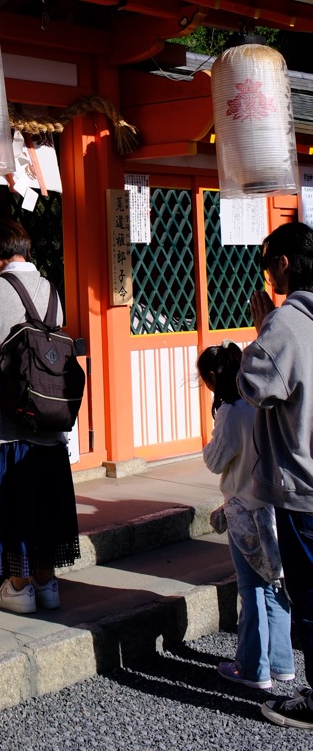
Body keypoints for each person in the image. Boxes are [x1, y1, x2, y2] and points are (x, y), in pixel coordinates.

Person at [0, 218, 79, 614]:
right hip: (48, 411)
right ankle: (46, 583)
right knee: (44, 495)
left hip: (7, 414)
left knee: (9, 496)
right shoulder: (50, 289)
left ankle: (17, 585)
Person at [238, 220, 313, 729]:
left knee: (308, 597)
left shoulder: (285, 324)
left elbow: (253, 385)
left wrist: (261, 329)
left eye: (268, 265)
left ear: (283, 264)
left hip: (302, 486)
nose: (267, 275)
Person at [198, 340, 294, 690]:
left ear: (212, 377)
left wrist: (206, 445)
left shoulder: (231, 412)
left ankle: (254, 666)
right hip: (275, 506)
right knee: (276, 584)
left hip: (245, 510)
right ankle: (282, 662)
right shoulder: (263, 404)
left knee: (251, 586)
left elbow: (215, 461)